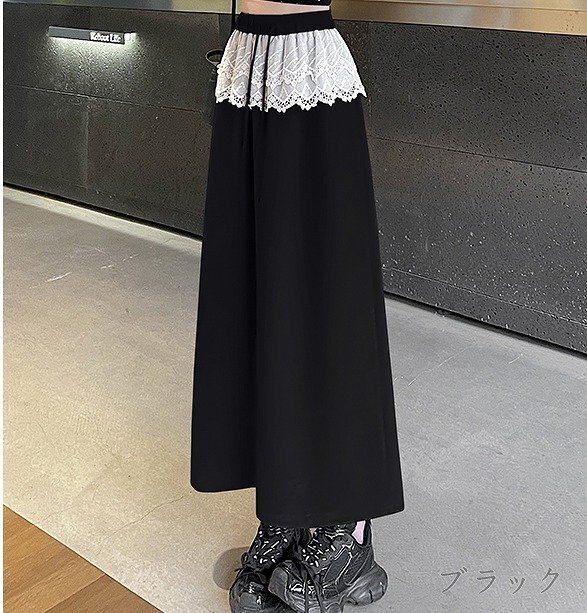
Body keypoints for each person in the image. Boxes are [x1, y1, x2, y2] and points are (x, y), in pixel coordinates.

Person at [190, 1, 404, 611]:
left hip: (308, 70)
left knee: (324, 302)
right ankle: (288, 502)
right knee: (258, 302)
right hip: (248, 66)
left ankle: (346, 526)